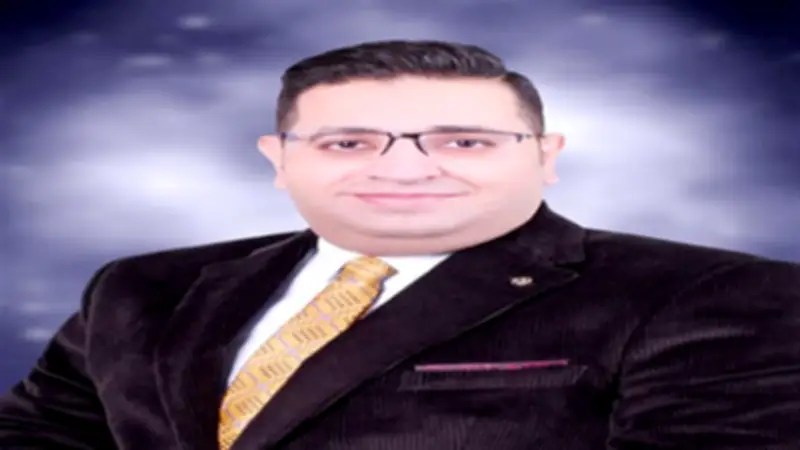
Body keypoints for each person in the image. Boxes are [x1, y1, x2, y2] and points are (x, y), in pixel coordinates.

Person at [1, 39, 798, 450]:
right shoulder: (145, 287)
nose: (406, 168)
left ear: (545, 156)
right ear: (279, 160)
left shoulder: (712, 294)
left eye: (463, 141)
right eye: (349, 142)